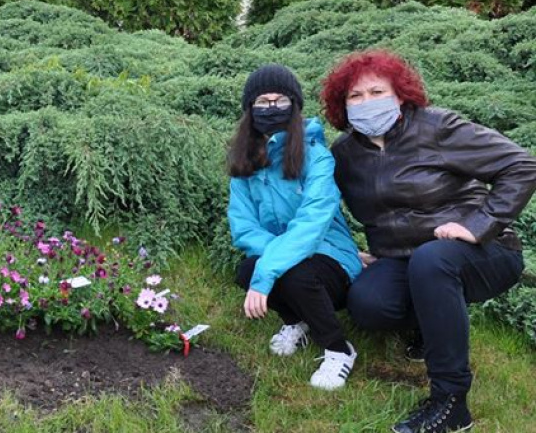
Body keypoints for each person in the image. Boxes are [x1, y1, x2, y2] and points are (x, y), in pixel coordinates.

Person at [321, 50, 535, 433]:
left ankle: (451, 402)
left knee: (433, 261)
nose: (367, 102)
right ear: (343, 105)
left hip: (483, 251)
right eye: (356, 96)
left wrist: (480, 223)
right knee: (368, 305)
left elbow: (521, 165)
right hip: (404, 259)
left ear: (400, 95)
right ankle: (428, 323)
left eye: (376, 91)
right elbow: (320, 207)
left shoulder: (437, 127)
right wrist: (345, 249)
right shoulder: (345, 154)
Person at [227, 65, 363, 390]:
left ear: (295, 105)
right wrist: (268, 267)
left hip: (332, 260)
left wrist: (268, 272)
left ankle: (338, 349)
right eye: (263, 100)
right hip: (291, 256)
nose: (272, 107)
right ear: (250, 109)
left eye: (280, 100)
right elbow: (244, 228)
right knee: (247, 270)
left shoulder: (317, 158)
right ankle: (297, 322)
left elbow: (311, 226)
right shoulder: (245, 163)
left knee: (293, 273)